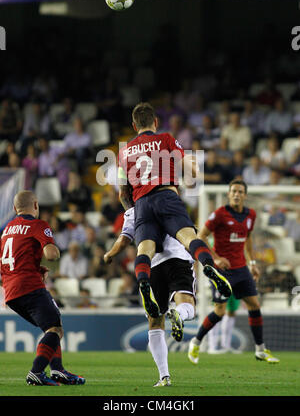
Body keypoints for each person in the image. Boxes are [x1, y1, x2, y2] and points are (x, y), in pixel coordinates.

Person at [117, 102, 231, 319]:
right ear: (156, 122)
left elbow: (122, 194)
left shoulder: (123, 152)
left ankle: (142, 282)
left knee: (145, 252)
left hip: (141, 204)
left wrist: (132, 212)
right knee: (190, 238)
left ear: (133, 125)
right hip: (166, 196)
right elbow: (193, 171)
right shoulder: (166, 139)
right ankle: (209, 266)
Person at [188, 179, 279, 364]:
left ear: (245, 195)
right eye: (233, 191)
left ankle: (260, 350)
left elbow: (248, 238)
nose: (236, 194)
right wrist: (216, 258)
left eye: (240, 191)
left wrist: (252, 262)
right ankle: (196, 341)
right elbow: (201, 236)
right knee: (219, 312)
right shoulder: (220, 214)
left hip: (241, 268)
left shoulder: (250, 215)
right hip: (222, 272)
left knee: (254, 305)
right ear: (229, 194)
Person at [104, 206, 196, 387]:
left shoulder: (134, 210)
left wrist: (110, 254)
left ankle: (164, 377)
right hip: (178, 257)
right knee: (188, 305)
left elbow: (123, 240)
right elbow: (191, 233)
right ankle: (179, 314)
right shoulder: (170, 201)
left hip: (150, 264)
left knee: (155, 322)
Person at [0, 190, 85, 386]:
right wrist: (51, 249)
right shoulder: (38, 225)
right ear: (36, 205)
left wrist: (36, 267)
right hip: (29, 286)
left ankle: (57, 370)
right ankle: (37, 371)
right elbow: (52, 254)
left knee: (50, 328)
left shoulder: (7, 230)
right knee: (55, 328)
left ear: (15, 209)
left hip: (11, 292)